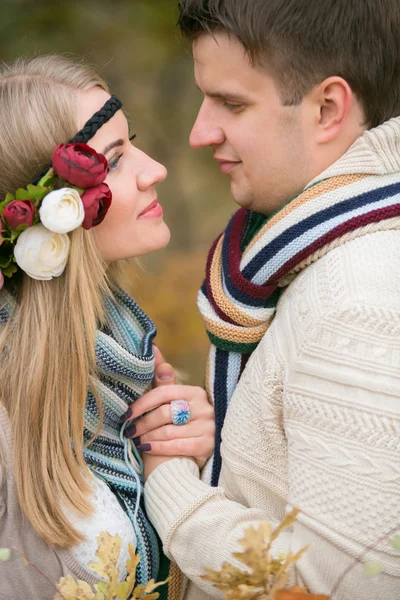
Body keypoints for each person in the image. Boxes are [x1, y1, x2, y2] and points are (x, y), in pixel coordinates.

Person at [136, 1, 400, 599]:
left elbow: (337, 586)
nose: (199, 132)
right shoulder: (296, 259)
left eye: (232, 103)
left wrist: (172, 483)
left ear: (327, 108)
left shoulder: (360, 299)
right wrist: (209, 446)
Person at [0, 55, 215, 600]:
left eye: (132, 143)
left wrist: (183, 452)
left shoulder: (124, 351)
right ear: (51, 207)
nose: (155, 169)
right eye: (115, 160)